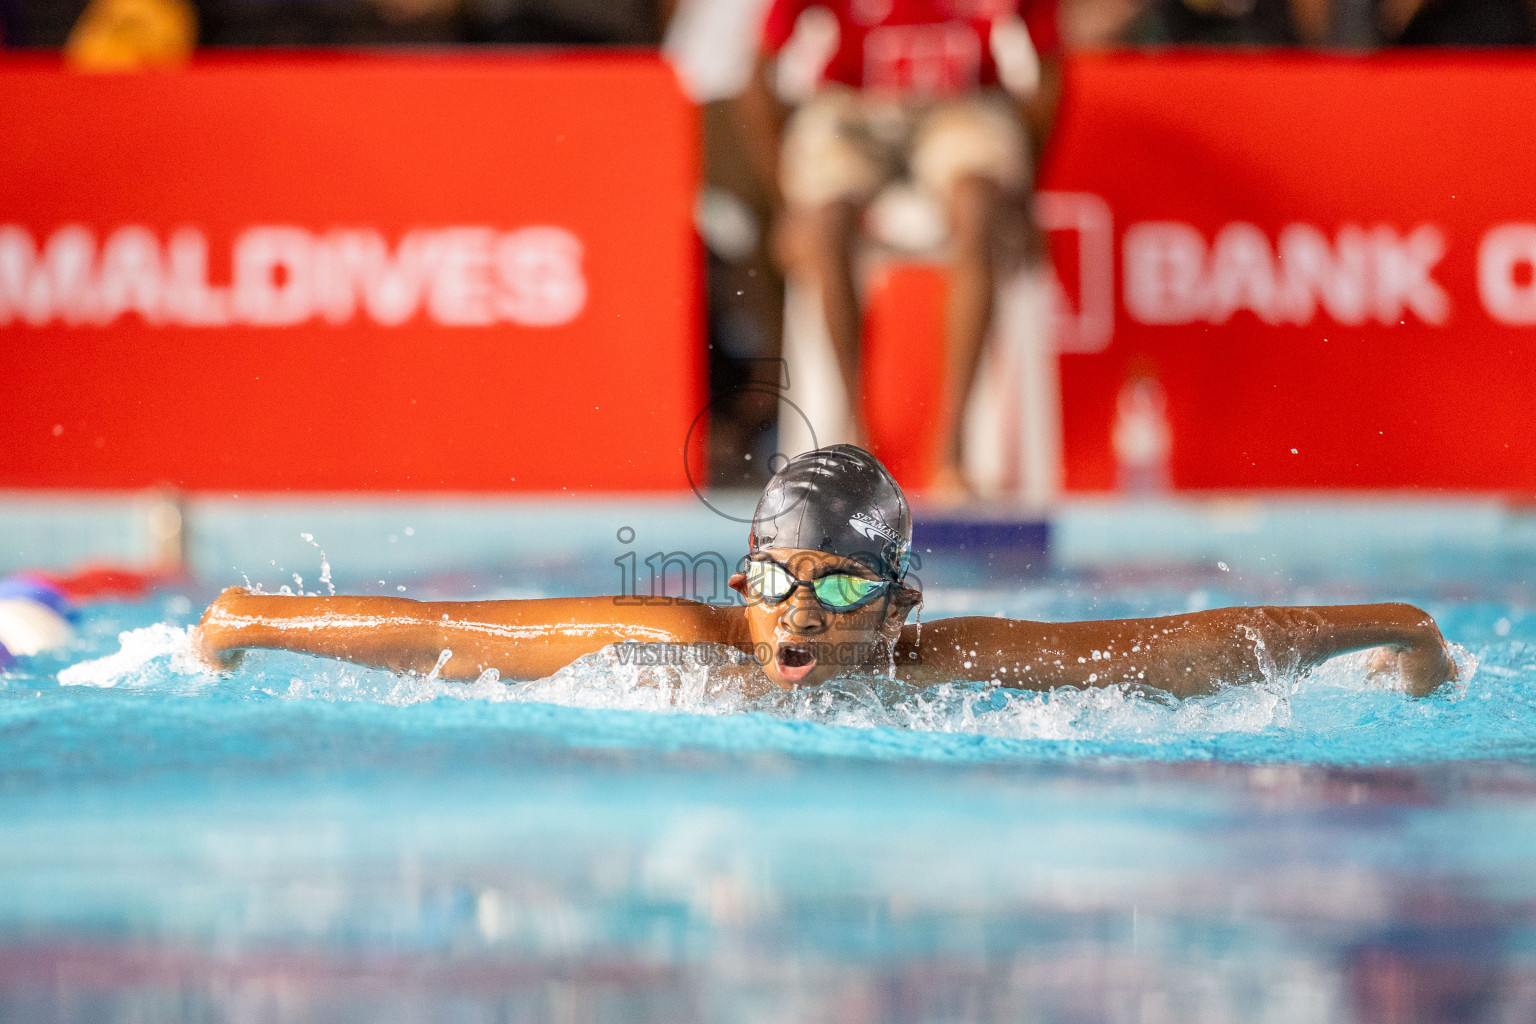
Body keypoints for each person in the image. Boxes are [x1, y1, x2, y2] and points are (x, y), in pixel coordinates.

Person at [196, 445, 1457, 699]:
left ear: (900, 603)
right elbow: (448, 636)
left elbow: (1173, 645)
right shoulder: (677, 649)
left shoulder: (937, 665)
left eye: (841, 587)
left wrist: (1394, 624)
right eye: (777, 580)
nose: (800, 610)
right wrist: (256, 617)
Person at [737, 0, 1063, 498]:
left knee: (979, 208)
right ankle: (853, 440)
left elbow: (1050, 70)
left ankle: (952, 452)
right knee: (826, 220)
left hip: (962, 103)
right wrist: (785, 207)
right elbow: (759, 74)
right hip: (854, 105)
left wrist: (1022, 198)